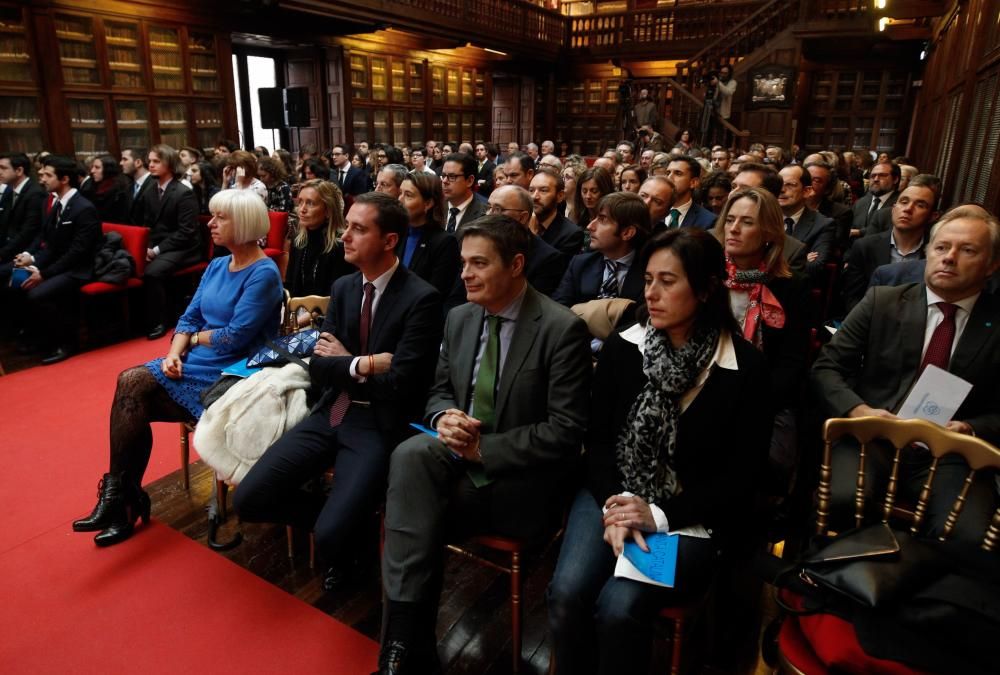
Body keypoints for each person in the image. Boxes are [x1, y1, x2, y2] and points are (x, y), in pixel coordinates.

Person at [547, 227, 773, 675]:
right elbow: (598, 444)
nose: (651, 293)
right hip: (612, 496)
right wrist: (617, 507)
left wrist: (658, 515)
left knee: (619, 606)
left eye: (668, 281)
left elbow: (740, 477)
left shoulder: (743, 368)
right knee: (567, 593)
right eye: (648, 279)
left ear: (707, 288)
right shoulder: (625, 347)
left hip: (688, 518)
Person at [376, 214, 592, 674]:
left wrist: (482, 451)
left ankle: (403, 646)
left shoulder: (560, 329)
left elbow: (567, 431)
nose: (465, 274)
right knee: (411, 454)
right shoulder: (459, 317)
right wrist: (444, 416)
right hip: (455, 452)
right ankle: (405, 643)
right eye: (462, 263)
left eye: (479, 263)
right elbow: (437, 389)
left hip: (518, 474)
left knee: (411, 514)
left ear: (516, 265)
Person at [235, 191, 443, 592]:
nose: (345, 236)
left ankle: (342, 529)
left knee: (330, 538)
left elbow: (401, 383)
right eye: (347, 225)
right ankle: (349, 521)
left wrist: (342, 362)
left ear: (389, 241)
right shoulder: (345, 286)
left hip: (377, 422)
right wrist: (361, 363)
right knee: (249, 499)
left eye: (358, 229)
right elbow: (320, 368)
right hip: (334, 410)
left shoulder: (422, 298)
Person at [71, 190, 283, 545]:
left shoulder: (263, 273)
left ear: (244, 224)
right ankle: (122, 499)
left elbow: (234, 338)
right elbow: (189, 316)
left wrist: (192, 341)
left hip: (235, 372)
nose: (211, 224)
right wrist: (173, 351)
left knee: (133, 395)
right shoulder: (218, 265)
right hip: (199, 361)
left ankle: (123, 503)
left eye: (220, 218)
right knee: (132, 392)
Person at [811, 206, 1000, 544]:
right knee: (842, 502)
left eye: (967, 250)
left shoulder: (996, 324)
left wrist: (970, 428)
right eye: (942, 247)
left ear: (992, 265)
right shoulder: (882, 301)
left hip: (953, 456)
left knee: (969, 535)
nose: (949, 258)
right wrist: (861, 412)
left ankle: (919, 593)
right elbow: (827, 368)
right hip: (874, 438)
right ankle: (832, 587)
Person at [715, 188, 809, 489]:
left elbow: (792, 363)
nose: (734, 228)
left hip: (765, 397)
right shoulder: (707, 277)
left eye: (746, 222)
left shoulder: (790, 288)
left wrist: (752, 400)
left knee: (763, 466)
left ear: (768, 233)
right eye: (729, 220)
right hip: (706, 389)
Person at [0, 155, 101, 363]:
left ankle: (67, 344)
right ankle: (41, 338)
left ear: (64, 179)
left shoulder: (84, 208)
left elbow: (77, 253)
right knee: (15, 281)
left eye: (48, 175)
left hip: (79, 269)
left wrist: (43, 274)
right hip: (59, 264)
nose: (42, 179)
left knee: (37, 294)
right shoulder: (55, 204)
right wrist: (31, 259)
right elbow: (49, 243)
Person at [841, 181, 938, 312]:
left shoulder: (936, 254)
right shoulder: (865, 247)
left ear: (933, 216)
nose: (908, 209)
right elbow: (852, 297)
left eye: (920, 205)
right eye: (904, 202)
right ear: (893, 209)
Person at [141, 145, 202, 339]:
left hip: (186, 247)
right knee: (136, 264)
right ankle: (141, 320)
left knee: (152, 272)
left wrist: (156, 250)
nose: (151, 165)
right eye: (149, 161)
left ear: (169, 163)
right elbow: (146, 224)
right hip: (161, 246)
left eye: (156, 161)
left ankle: (159, 322)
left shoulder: (183, 192)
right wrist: (147, 247)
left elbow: (187, 231)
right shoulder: (150, 190)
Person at [554, 191, 649, 309]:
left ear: (627, 233)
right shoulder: (580, 264)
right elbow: (558, 309)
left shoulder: (649, 271)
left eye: (602, 220)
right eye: (595, 218)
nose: (590, 226)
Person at [285, 179, 353, 299]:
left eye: (310, 203)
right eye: (300, 202)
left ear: (328, 210)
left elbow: (337, 297)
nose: (302, 209)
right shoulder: (298, 240)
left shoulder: (341, 246)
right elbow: (290, 284)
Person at [397, 171, 460, 296]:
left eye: (408, 195)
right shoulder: (396, 234)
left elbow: (435, 293)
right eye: (400, 193)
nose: (399, 199)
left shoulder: (444, 243)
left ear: (428, 204)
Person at [0, 152, 46, 264]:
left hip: (24, 253)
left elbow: (27, 232)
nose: (0, 172)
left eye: (3, 168)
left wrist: (2, 254)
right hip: (8, 248)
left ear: (19, 171)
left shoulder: (35, 194)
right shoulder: (9, 191)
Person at [529, 168, 583, 256]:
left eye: (543, 190)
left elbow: (554, 267)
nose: (534, 197)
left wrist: (532, 237)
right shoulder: (521, 224)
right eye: (531, 190)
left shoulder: (572, 234)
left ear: (560, 196)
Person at [663, 157, 716, 230]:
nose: (669, 178)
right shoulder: (654, 211)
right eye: (668, 173)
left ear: (693, 182)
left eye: (678, 173)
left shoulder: (708, 220)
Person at [441, 152, 487, 233]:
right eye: (443, 175)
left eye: (452, 176)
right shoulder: (435, 207)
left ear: (470, 181)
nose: (444, 181)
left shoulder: (485, 213)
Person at [80, 154, 129, 223]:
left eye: (97, 167)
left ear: (107, 170)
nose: (92, 171)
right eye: (92, 167)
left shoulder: (119, 192)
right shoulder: (89, 187)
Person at [119, 146, 152, 226]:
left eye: (125, 159)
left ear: (138, 162)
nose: (120, 163)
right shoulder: (129, 187)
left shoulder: (155, 184)